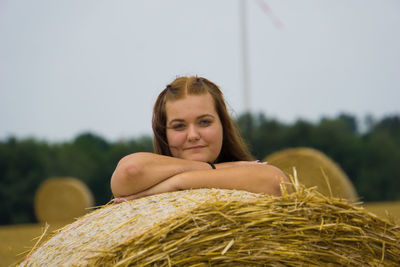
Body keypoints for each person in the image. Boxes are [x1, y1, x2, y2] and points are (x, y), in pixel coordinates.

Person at [111, 76, 290, 203]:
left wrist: (176, 184)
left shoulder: (252, 174)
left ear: (223, 125)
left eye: (204, 122)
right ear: (163, 133)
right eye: (179, 126)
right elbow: (130, 171)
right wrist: (216, 168)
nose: (193, 135)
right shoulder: (148, 174)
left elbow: (277, 184)